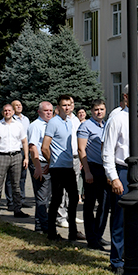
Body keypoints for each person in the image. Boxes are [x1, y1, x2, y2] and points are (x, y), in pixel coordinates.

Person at [102, 84, 138, 275]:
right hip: (124, 172)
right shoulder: (117, 118)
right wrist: (113, 178)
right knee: (121, 219)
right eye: (135, 95)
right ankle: (117, 260)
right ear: (125, 96)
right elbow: (108, 151)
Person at [42, 95, 84, 241]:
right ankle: (51, 233)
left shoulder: (69, 122)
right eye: (64, 105)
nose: (67, 108)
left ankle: (73, 231)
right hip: (58, 168)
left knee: (73, 198)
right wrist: (51, 162)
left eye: (69, 105)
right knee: (57, 199)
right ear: (58, 107)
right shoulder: (54, 122)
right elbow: (45, 147)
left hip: (68, 166)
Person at [78, 99, 110, 251]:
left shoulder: (107, 125)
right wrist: (87, 171)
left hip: (105, 169)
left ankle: (98, 234)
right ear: (91, 111)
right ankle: (91, 239)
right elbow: (81, 150)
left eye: (102, 109)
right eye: (96, 109)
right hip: (92, 167)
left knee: (105, 204)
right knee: (90, 205)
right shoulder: (86, 126)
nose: (99, 112)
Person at [0, 103, 30, 219]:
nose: (7, 112)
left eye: (9, 111)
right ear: (3, 112)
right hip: (2, 156)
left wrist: (26, 157)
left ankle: (17, 210)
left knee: (16, 185)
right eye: (5, 111)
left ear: (12, 112)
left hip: (17, 156)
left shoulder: (18, 125)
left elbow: (24, 142)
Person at [27, 101, 54, 233]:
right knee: (42, 195)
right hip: (40, 163)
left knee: (46, 195)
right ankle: (42, 226)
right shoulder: (36, 126)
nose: (49, 113)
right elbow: (33, 148)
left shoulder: (52, 124)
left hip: (49, 163)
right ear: (39, 112)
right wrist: (37, 167)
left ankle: (41, 225)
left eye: (50, 110)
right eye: (46, 111)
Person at [5, 99, 30, 212]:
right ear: (12, 108)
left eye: (20, 105)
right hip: (14, 150)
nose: (19, 107)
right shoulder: (10, 120)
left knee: (22, 176)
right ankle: (10, 201)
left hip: (24, 150)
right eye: (16, 105)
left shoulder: (26, 119)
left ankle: (21, 200)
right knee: (11, 177)